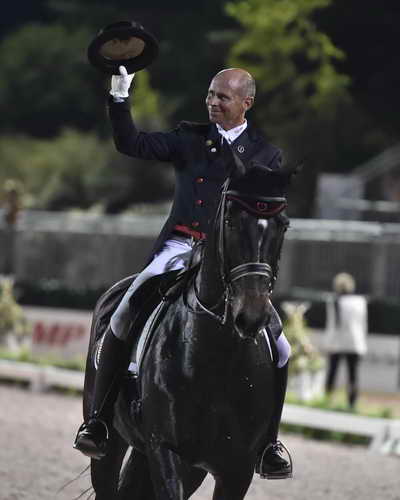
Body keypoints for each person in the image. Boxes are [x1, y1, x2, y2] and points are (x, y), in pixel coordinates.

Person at [74, 66, 292, 479]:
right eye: (209, 94)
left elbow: (267, 216)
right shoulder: (190, 139)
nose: (212, 102)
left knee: (281, 348)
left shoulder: (266, 155)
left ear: (246, 103)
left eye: (222, 97)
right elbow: (131, 142)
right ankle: (99, 421)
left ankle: (268, 444)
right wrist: (120, 98)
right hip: (179, 248)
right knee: (120, 315)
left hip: (231, 263)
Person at [324, 272, 368, 408]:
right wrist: (362, 344)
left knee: (332, 373)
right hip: (355, 343)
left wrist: (328, 343)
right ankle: (352, 404)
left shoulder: (335, 301)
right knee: (353, 375)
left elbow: (331, 325)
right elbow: (363, 324)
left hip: (337, 343)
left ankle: (327, 401)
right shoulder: (361, 301)